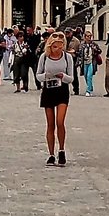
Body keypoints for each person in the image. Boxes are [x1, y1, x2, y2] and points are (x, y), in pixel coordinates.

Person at [35, 32, 76, 165]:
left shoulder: (67, 57)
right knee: (50, 124)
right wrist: (46, 76)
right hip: (48, 89)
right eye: (55, 47)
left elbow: (71, 78)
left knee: (60, 121)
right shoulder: (44, 57)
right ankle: (51, 154)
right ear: (50, 46)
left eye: (60, 46)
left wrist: (63, 76)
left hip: (62, 90)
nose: (58, 49)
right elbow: (38, 75)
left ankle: (62, 150)